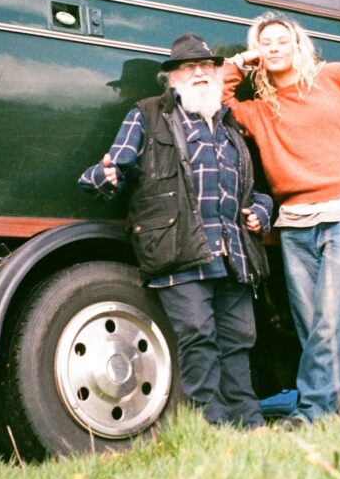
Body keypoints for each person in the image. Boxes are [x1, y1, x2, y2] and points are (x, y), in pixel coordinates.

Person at [222, 12, 340, 426]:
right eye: (264, 42)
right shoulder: (259, 110)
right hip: (294, 219)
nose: (273, 47)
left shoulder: (334, 77)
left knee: (334, 316)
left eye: (281, 40)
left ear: (298, 45)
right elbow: (218, 105)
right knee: (314, 325)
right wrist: (240, 62)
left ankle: (313, 414)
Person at [78, 33, 272, 429]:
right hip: (177, 250)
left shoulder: (230, 126)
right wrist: (104, 176)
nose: (199, 73)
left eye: (206, 66)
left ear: (218, 75)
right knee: (198, 337)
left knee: (239, 341)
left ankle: (250, 425)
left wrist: (262, 213)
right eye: (188, 67)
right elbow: (109, 169)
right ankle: (212, 427)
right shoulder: (147, 114)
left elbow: (256, 191)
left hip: (232, 254)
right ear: (172, 79)